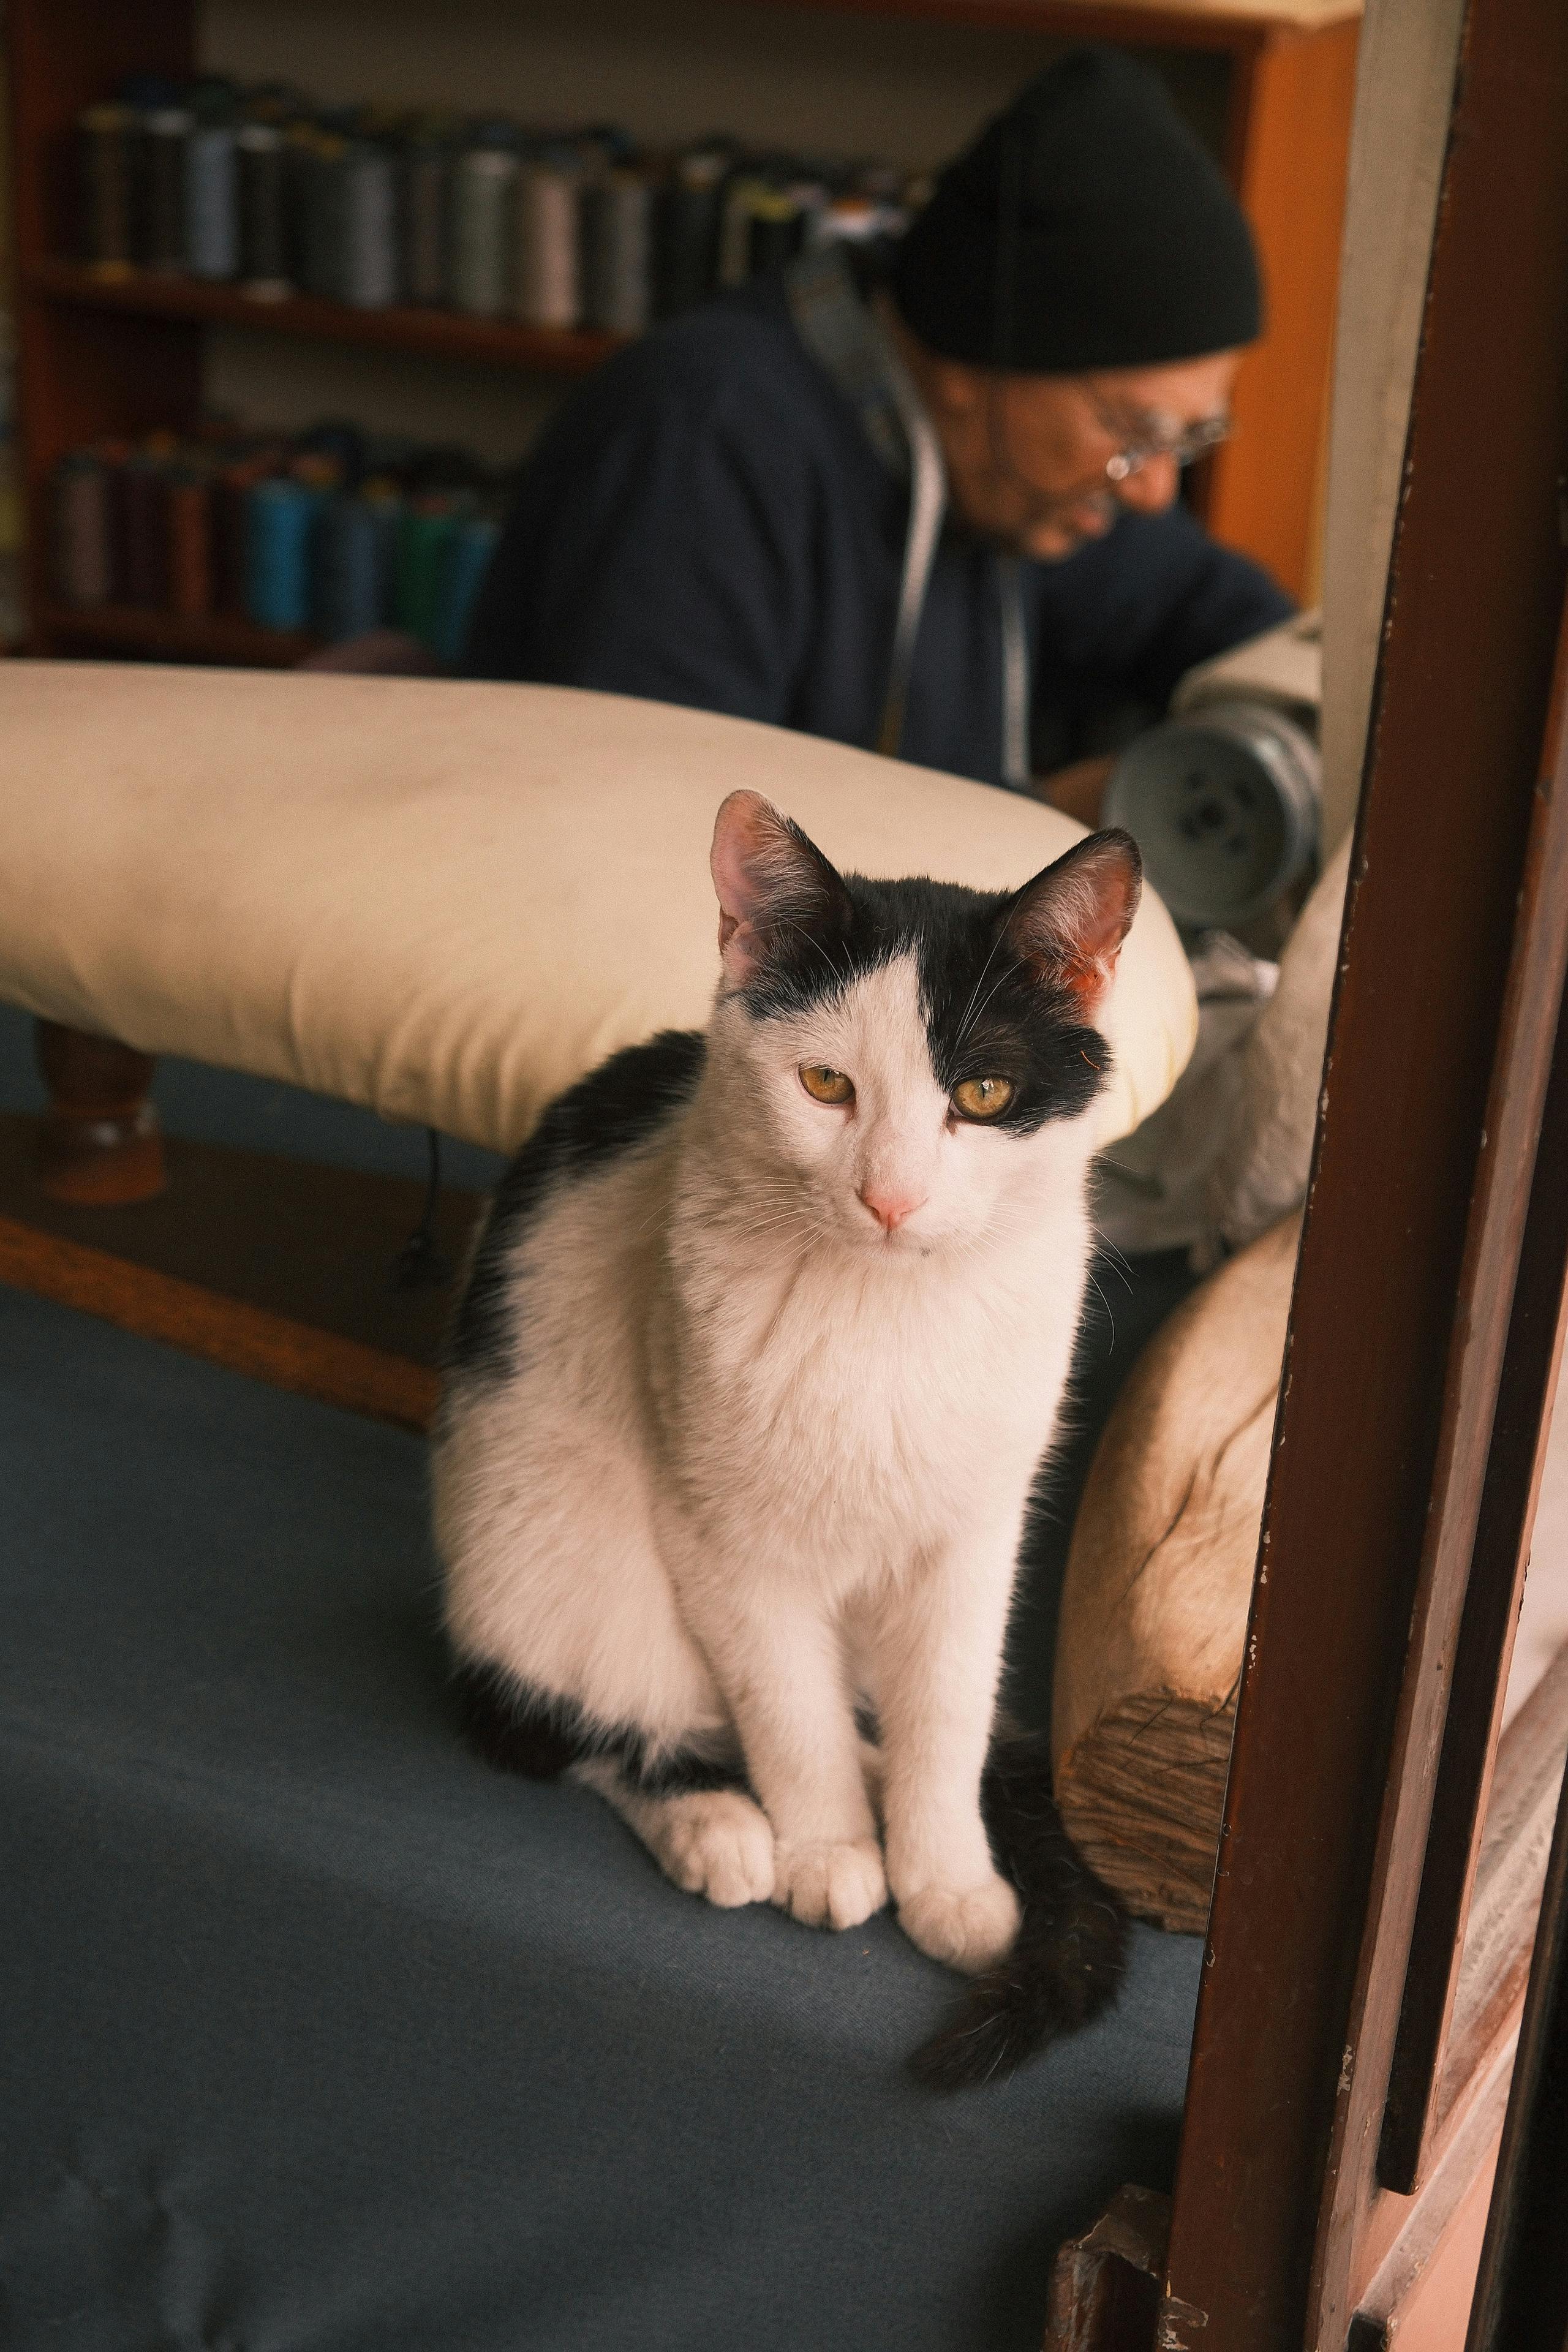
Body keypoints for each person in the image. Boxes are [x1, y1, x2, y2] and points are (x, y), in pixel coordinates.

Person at [464, 48, 1294, 808]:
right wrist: (1055, 829)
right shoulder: (700, 445)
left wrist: (1283, 723)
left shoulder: (1028, 478)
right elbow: (661, 835)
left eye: (1190, 438)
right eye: (1137, 431)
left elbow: (1217, 613)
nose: (1155, 489)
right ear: (976, 366)